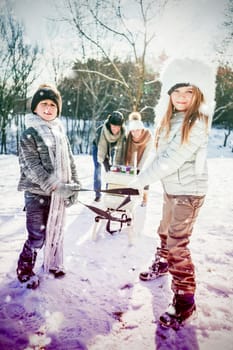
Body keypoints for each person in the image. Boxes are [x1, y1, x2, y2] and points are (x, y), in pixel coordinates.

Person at [130, 58, 216, 328]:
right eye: (176, 91)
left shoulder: (197, 123)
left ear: (198, 94)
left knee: (178, 242)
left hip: (188, 193)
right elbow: (158, 154)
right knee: (165, 231)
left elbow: (170, 158)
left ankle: (184, 297)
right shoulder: (170, 120)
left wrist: (141, 181)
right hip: (172, 188)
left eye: (188, 91)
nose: (181, 97)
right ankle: (163, 262)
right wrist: (139, 175)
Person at [17, 84, 81, 288]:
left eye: (52, 104)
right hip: (36, 194)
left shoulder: (60, 133)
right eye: (43, 103)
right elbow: (32, 167)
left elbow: (70, 161)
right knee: (37, 237)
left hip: (57, 194)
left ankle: (53, 262)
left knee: (56, 230)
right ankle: (25, 267)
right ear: (35, 107)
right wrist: (56, 186)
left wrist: (75, 185)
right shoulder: (30, 133)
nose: (48, 108)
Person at [92, 111, 126, 202]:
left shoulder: (122, 133)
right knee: (98, 168)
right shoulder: (101, 131)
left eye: (118, 127)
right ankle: (97, 193)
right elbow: (102, 151)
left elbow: (121, 150)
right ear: (110, 124)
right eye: (113, 126)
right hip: (98, 147)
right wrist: (105, 162)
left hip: (111, 147)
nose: (115, 129)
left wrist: (116, 166)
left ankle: (109, 191)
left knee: (112, 170)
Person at [125, 111, 153, 206]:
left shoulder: (148, 136)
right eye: (132, 131)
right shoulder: (130, 137)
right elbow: (131, 157)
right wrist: (132, 170)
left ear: (141, 129)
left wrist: (140, 169)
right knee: (131, 171)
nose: (135, 133)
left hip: (147, 154)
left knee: (145, 174)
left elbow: (146, 156)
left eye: (137, 130)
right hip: (135, 149)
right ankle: (130, 194)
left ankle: (145, 198)